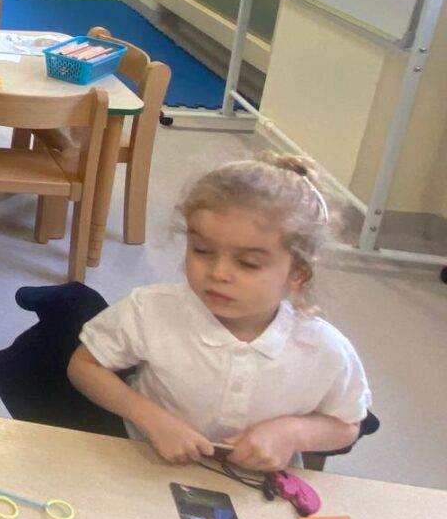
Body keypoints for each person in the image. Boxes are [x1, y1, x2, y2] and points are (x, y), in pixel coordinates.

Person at [68, 153, 371, 471]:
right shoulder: (151, 309)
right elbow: (85, 366)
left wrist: (292, 433)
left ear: (298, 274)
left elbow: (347, 424)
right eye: (202, 250)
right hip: (146, 466)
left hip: (255, 485)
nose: (219, 272)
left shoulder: (322, 348)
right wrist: (152, 419)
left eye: (248, 263)